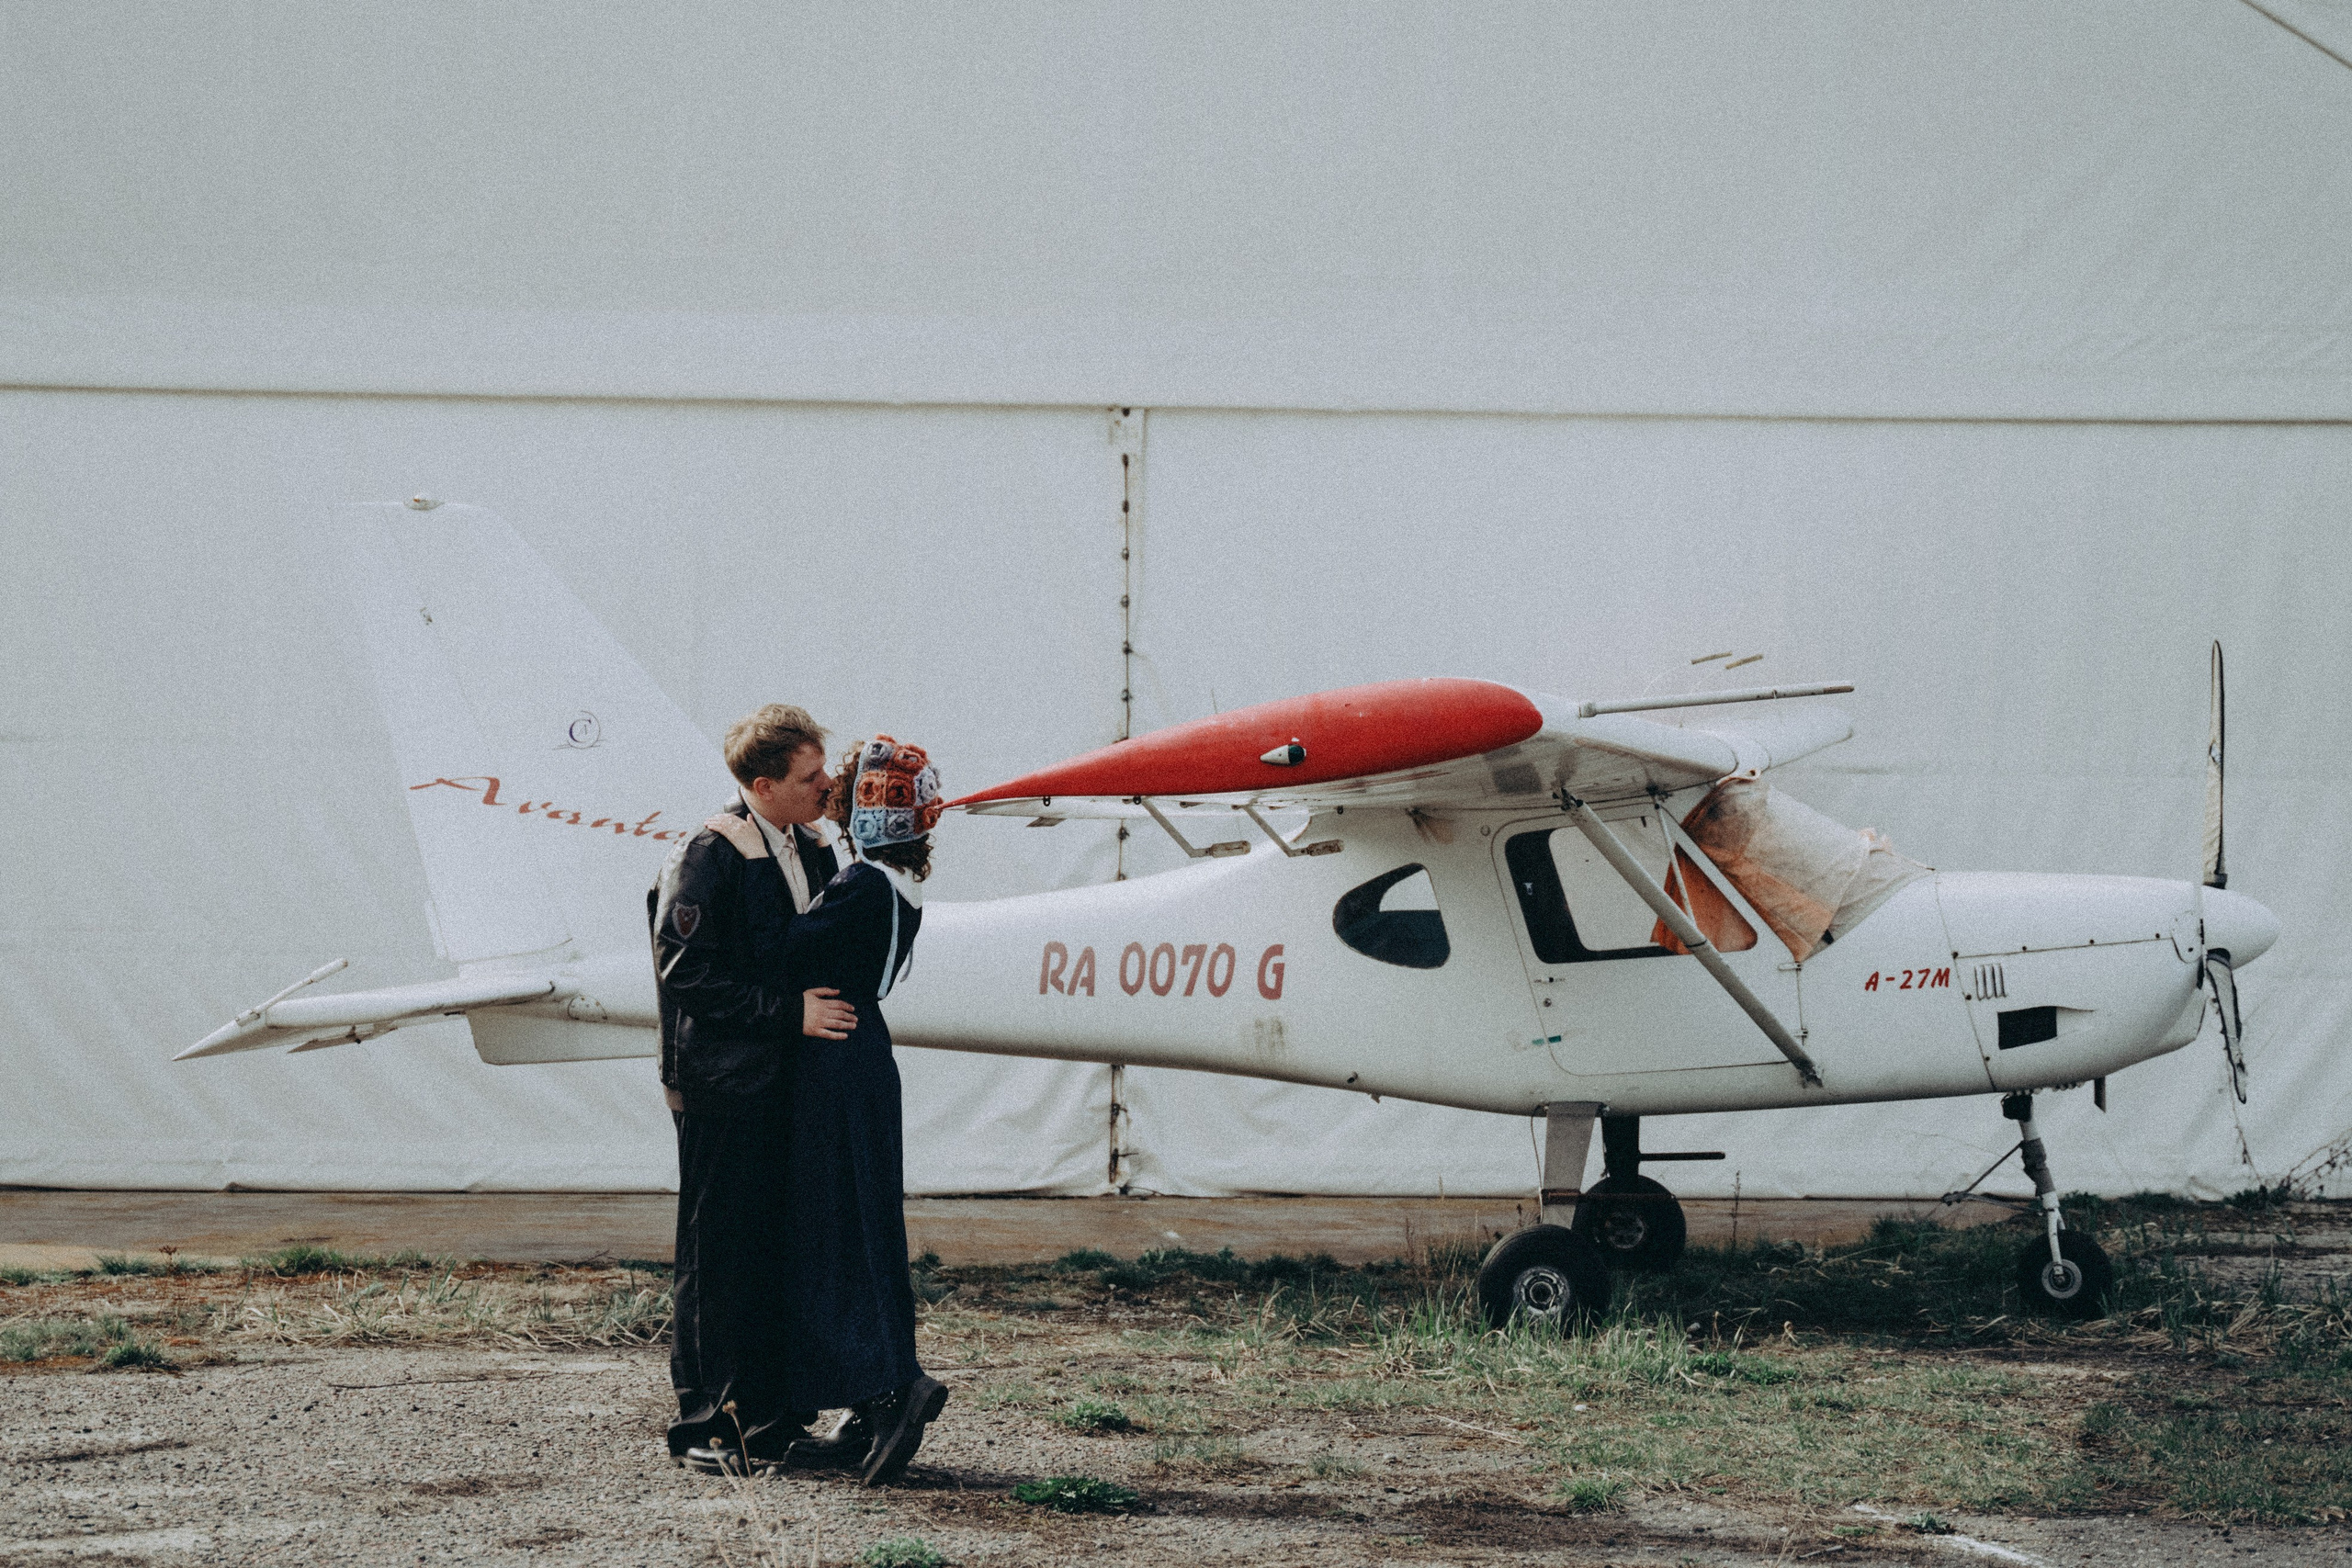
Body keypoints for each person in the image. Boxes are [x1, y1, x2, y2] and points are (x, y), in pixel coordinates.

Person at [707, 734, 949, 1486]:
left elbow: (777, 950)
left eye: (841, 791)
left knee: (838, 1228)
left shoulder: (860, 886)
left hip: (834, 1061)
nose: (829, 796)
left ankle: (889, 1387)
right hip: (862, 1052)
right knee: (863, 1223)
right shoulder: (895, 882)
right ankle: (872, 1391)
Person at [650, 704, 856, 1472]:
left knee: (775, 1252)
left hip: (778, 1086)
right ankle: (708, 1423)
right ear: (763, 785)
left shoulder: (808, 844)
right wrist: (788, 1012)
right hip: (722, 1091)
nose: (827, 787)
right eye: (810, 777)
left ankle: (770, 1415)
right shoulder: (707, 855)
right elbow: (685, 971)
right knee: (720, 1255)